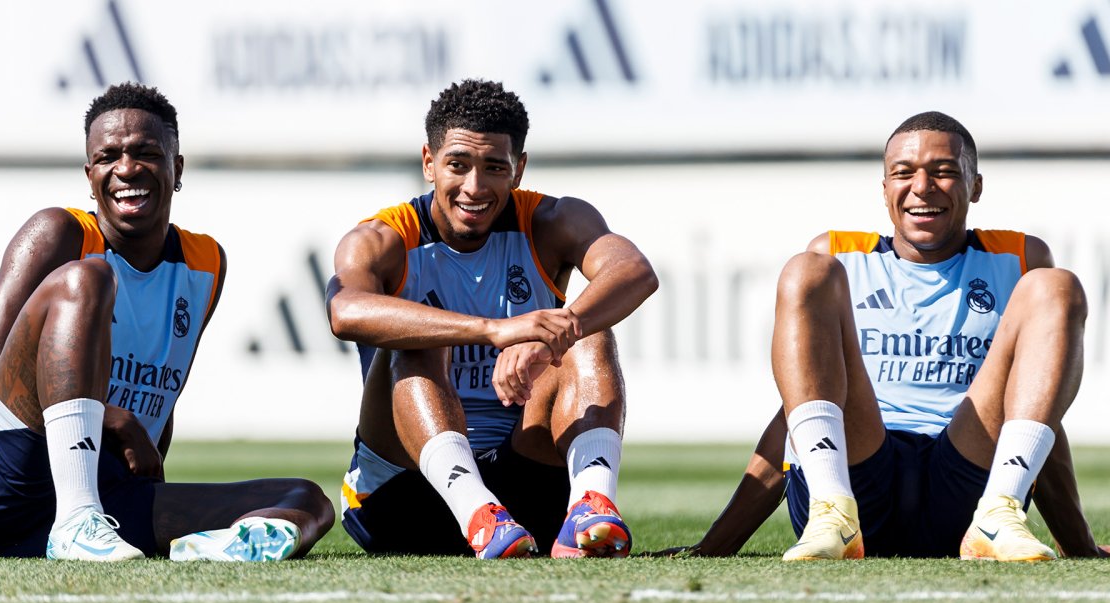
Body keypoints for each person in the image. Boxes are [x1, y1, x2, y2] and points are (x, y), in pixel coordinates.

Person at [679, 111, 1106, 561]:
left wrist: (1079, 546)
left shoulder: (1019, 257)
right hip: (855, 479)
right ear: (885, 190)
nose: (922, 187)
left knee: (1056, 285)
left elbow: (1038, 411)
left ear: (975, 186)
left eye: (943, 171)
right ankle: (832, 514)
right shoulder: (839, 258)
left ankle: (999, 514)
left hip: (967, 489)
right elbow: (797, 411)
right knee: (806, 270)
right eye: (904, 173)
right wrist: (714, 547)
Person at [0, 82, 335, 561]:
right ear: (90, 176)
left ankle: (219, 548)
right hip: (5, 473)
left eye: (145, 152)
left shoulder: (206, 262)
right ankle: (74, 522)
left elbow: (160, 396)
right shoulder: (59, 232)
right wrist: (118, 422)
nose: (126, 169)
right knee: (87, 280)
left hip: (108, 494)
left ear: (178, 169)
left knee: (306, 500)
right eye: (108, 157)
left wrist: (149, 468)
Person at [327, 79, 657, 559]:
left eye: (494, 168)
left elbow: (634, 271)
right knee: (420, 334)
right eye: (457, 165)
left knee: (587, 330)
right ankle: (477, 512)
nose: (474, 188)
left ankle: (591, 503)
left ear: (518, 169)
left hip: (522, 495)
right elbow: (344, 310)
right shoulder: (382, 237)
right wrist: (495, 331)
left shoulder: (552, 221)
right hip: (403, 496)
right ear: (428, 162)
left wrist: (548, 339)